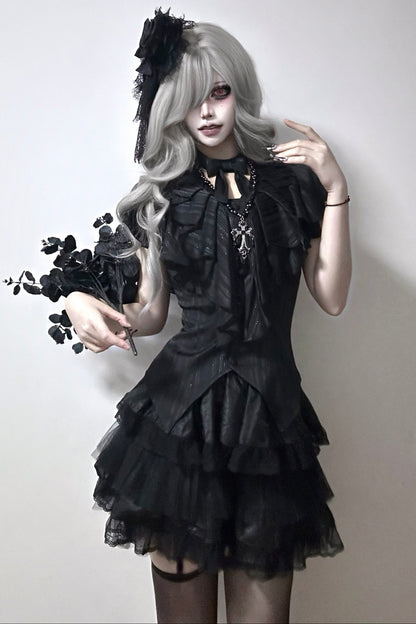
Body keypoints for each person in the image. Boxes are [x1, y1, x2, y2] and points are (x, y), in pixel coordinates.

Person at [65, 10, 351, 624]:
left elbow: (331, 297)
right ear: (171, 109)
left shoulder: (292, 186)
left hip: (269, 422)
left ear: (237, 90)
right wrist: (81, 301)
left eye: (218, 92)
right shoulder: (162, 198)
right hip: (180, 425)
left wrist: (334, 189)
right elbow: (149, 313)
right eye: (190, 99)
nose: (207, 112)